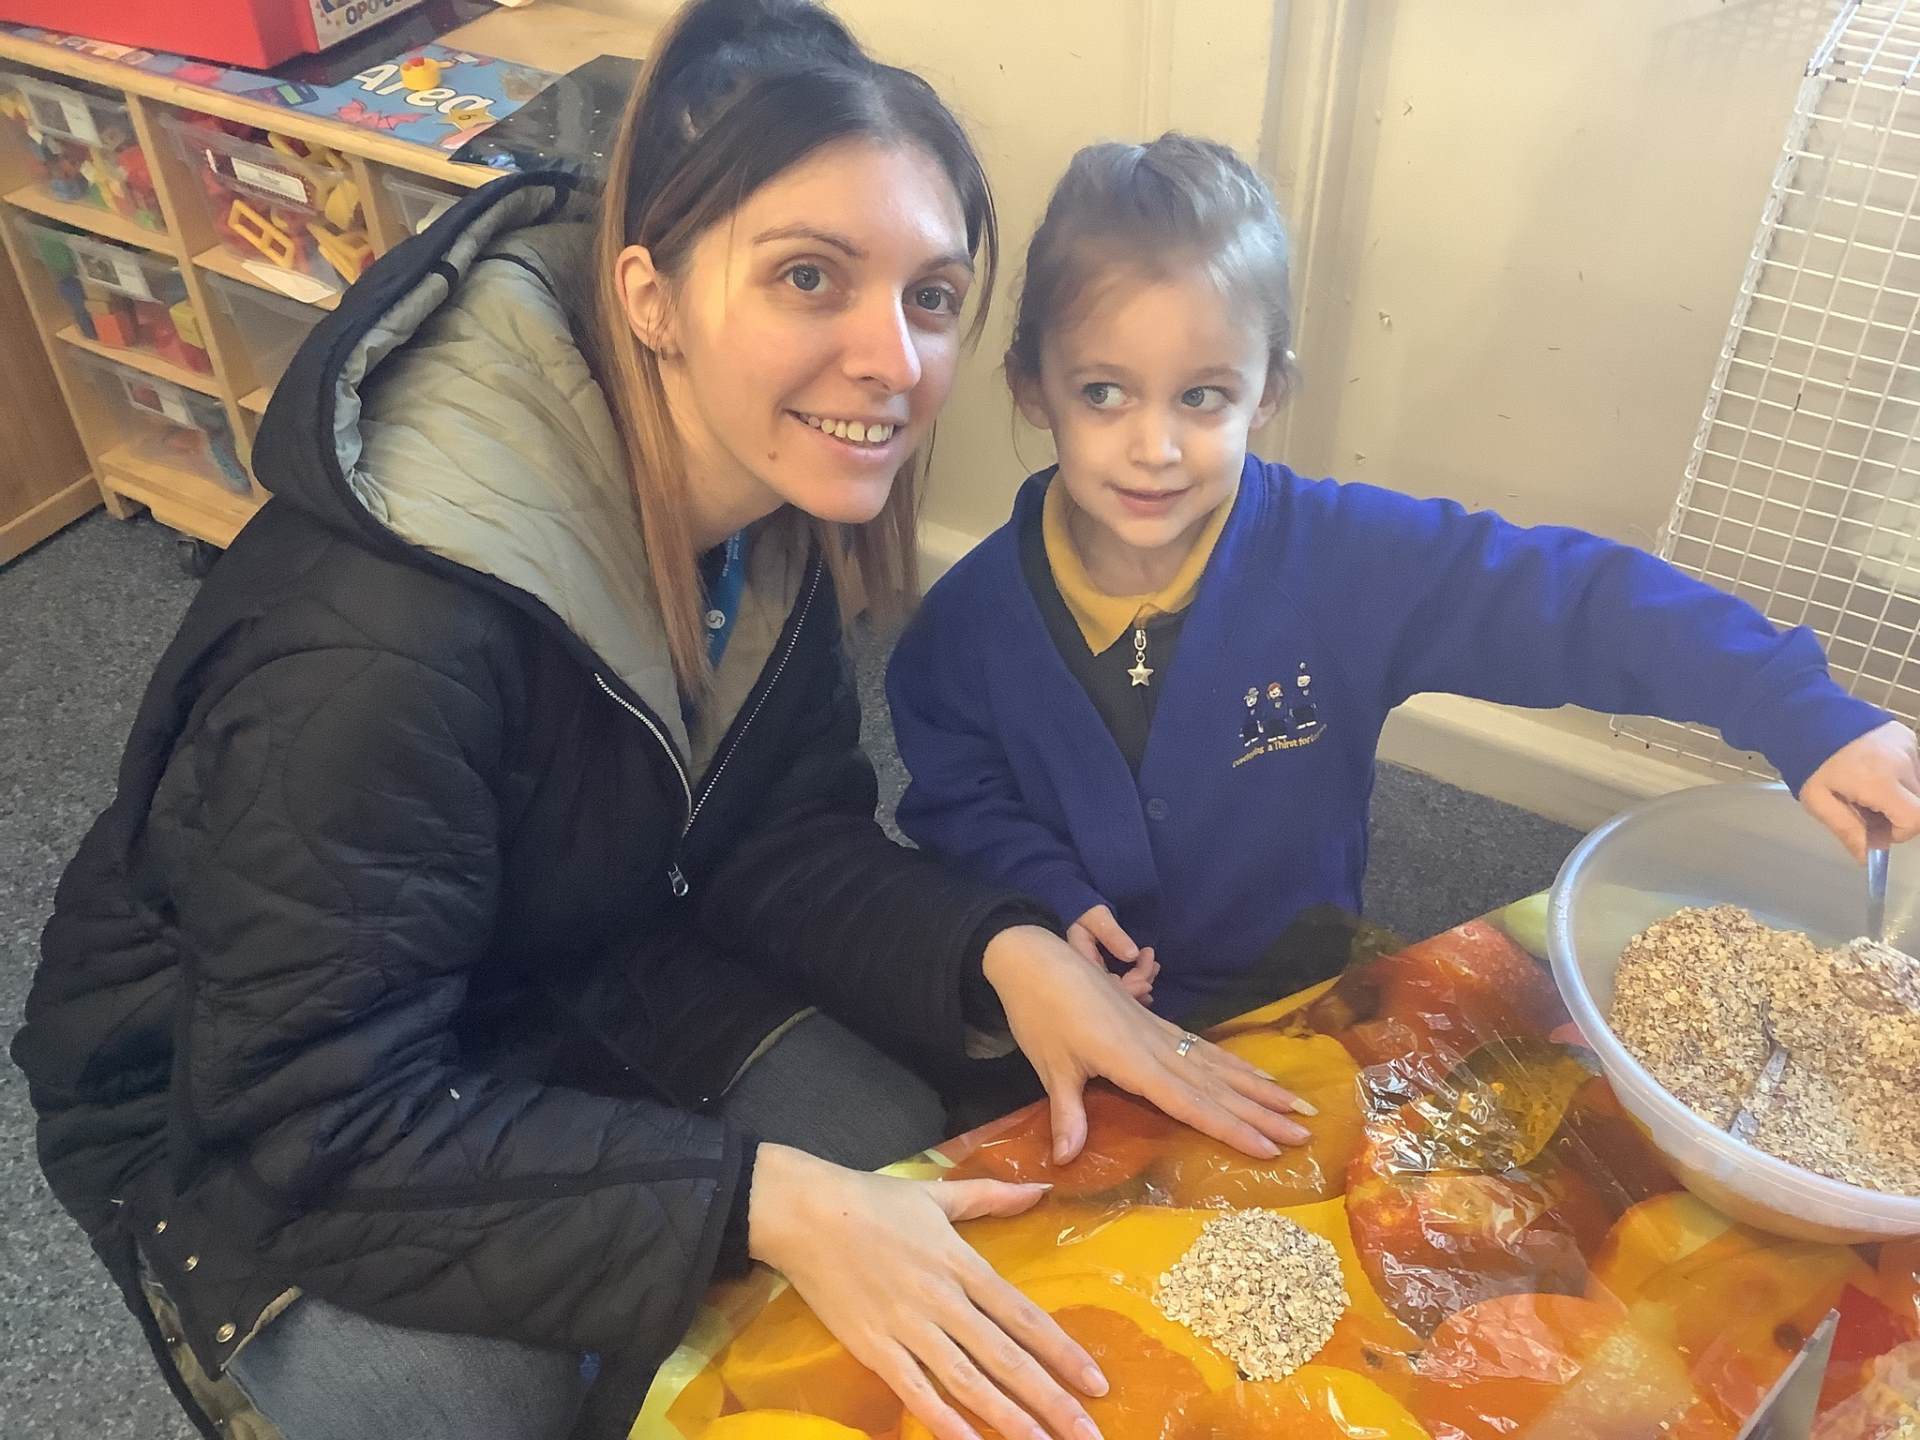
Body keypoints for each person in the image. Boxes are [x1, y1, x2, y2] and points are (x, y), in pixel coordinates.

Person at [11, 14, 1310, 1440]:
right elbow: (311, 1118)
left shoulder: (765, 493)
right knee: (475, 1399)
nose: (892, 359)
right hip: (236, 1107)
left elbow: (776, 836)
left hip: (556, 942)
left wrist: (1002, 952)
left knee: (897, 1143)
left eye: (932, 297)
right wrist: (758, 1203)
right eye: (810, 276)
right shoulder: (378, 645)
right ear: (650, 295)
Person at [887, 133, 1920, 1022]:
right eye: (1104, 394)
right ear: (1033, 388)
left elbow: (1572, 602)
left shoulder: (1343, 561)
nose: (1154, 448)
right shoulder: (969, 624)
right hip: (1069, 998)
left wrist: (1791, 706)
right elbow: (958, 795)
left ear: (1267, 393)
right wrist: (1044, 897)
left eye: (1202, 397)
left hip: (1297, 988)